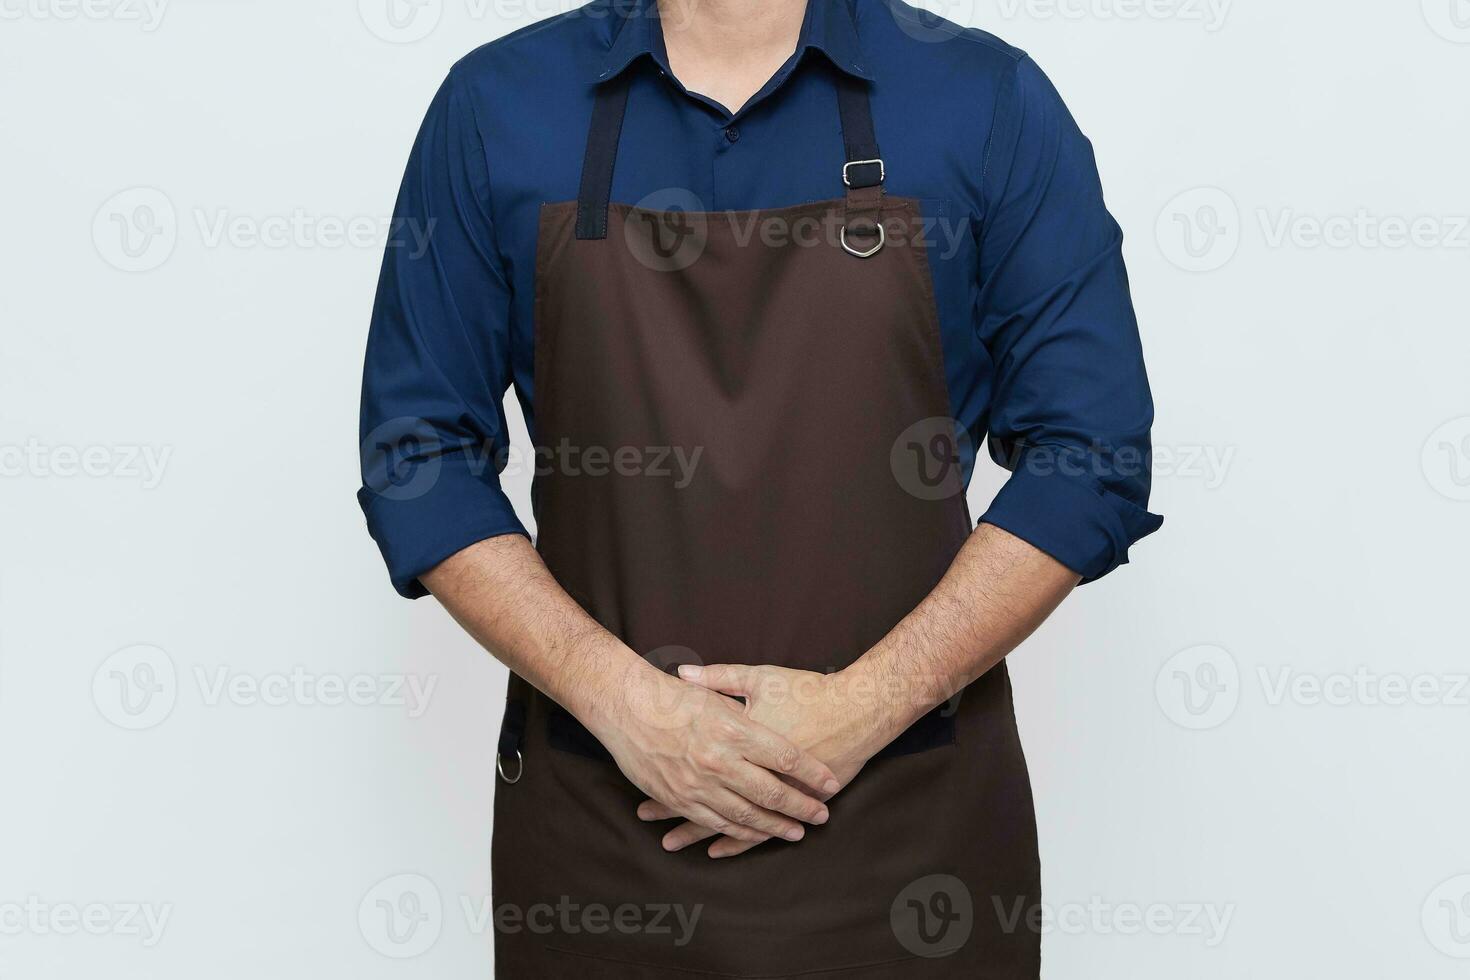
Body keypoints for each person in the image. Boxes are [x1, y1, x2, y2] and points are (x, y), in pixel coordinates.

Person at [357, 0, 1161, 974]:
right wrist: (626, 705)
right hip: (603, 836)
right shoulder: (499, 105)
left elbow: (1089, 454)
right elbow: (419, 452)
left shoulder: (982, 100)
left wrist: (861, 708)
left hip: (908, 853)